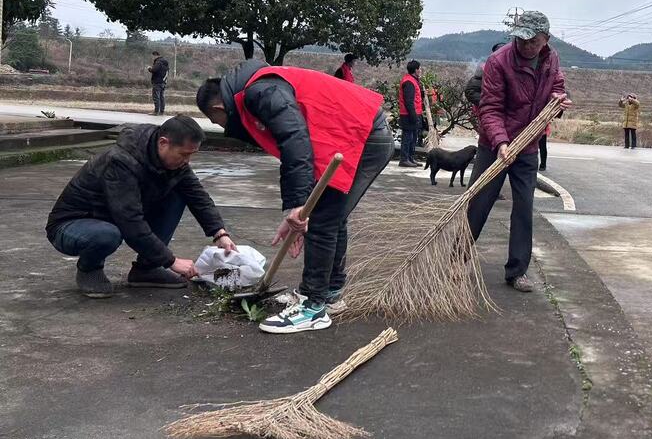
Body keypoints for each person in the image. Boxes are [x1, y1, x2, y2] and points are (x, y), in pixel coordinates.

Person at [196, 62, 394, 334]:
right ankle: (330, 294)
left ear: (217, 109)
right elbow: (299, 146)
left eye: (214, 121)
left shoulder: (259, 92)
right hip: (350, 135)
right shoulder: (255, 89)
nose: (218, 125)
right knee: (330, 216)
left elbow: (295, 140)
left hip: (363, 136)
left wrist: (297, 206)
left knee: (324, 217)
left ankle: (313, 306)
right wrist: (299, 209)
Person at [46, 115, 237, 299]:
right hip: (72, 226)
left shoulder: (174, 164)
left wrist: (219, 233)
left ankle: (147, 269)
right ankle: (89, 268)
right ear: (163, 143)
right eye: (184, 154)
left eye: (191, 155)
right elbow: (130, 220)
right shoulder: (121, 161)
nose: (187, 161)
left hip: (113, 217)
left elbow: (198, 196)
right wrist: (171, 261)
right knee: (107, 235)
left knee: (178, 194)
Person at [467, 11, 571, 292]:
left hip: (528, 146)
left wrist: (558, 101)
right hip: (494, 146)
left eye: (532, 41)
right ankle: (457, 258)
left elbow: (558, 86)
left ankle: (517, 271)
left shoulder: (551, 59)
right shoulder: (499, 61)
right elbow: (490, 108)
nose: (525, 46)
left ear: (545, 40)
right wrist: (501, 142)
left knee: (524, 207)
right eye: (521, 40)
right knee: (478, 204)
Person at [398, 60, 423, 168]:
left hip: (414, 113)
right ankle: (404, 159)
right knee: (407, 137)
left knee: (413, 137)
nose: (420, 70)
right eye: (419, 69)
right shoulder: (409, 82)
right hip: (408, 114)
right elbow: (409, 101)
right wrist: (413, 116)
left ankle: (410, 158)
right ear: (416, 70)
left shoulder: (413, 80)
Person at [148, 51, 169, 115]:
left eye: (152, 56)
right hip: (163, 82)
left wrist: (149, 68)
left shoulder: (158, 62)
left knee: (156, 97)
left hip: (157, 82)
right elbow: (167, 72)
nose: (152, 58)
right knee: (161, 97)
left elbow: (154, 70)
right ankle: (161, 111)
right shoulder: (165, 62)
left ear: (155, 55)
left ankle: (156, 111)